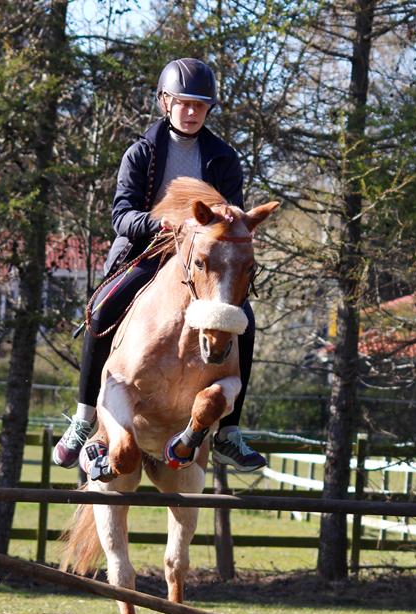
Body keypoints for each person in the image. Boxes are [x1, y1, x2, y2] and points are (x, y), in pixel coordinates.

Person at [53, 57, 266, 473]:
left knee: (245, 320)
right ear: (164, 102)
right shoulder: (141, 152)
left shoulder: (224, 158)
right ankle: (83, 418)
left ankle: (229, 433)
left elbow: (232, 213)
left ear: (208, 110)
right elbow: (121, 216)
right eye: (182, 103)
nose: (190, 112)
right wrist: (158, 223)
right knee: (102, 309)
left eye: (199, 106)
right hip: (147, 251)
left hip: (202, 260)